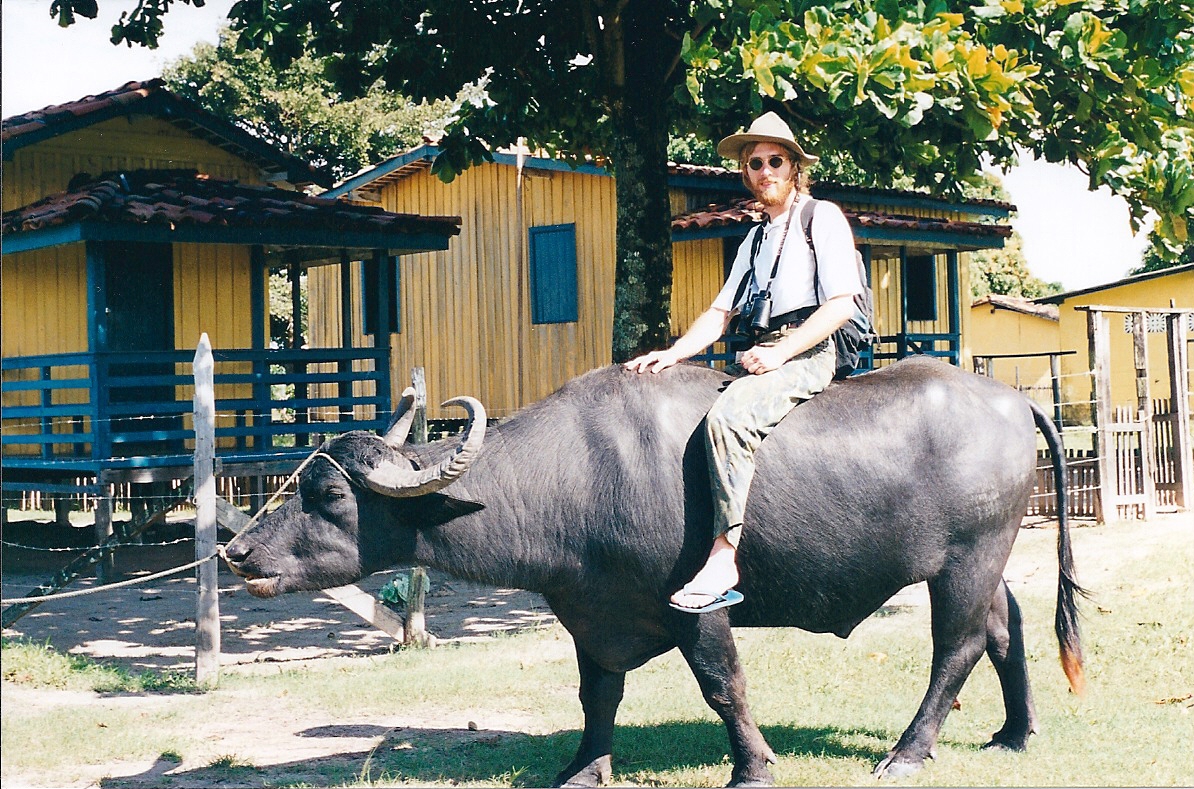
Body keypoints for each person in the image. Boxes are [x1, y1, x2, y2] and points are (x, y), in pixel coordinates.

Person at [624, 111, 863, 614]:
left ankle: (724, 558)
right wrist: (670, 354)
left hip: (808, 349)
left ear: (794, 166)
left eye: (776, 160)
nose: (765, 171)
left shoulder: (821, 217)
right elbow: (720, 313)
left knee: (731, 418)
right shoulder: (753, 237)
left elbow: (841, 303)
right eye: (755, 163)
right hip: (760, 349)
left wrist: (781, 351)